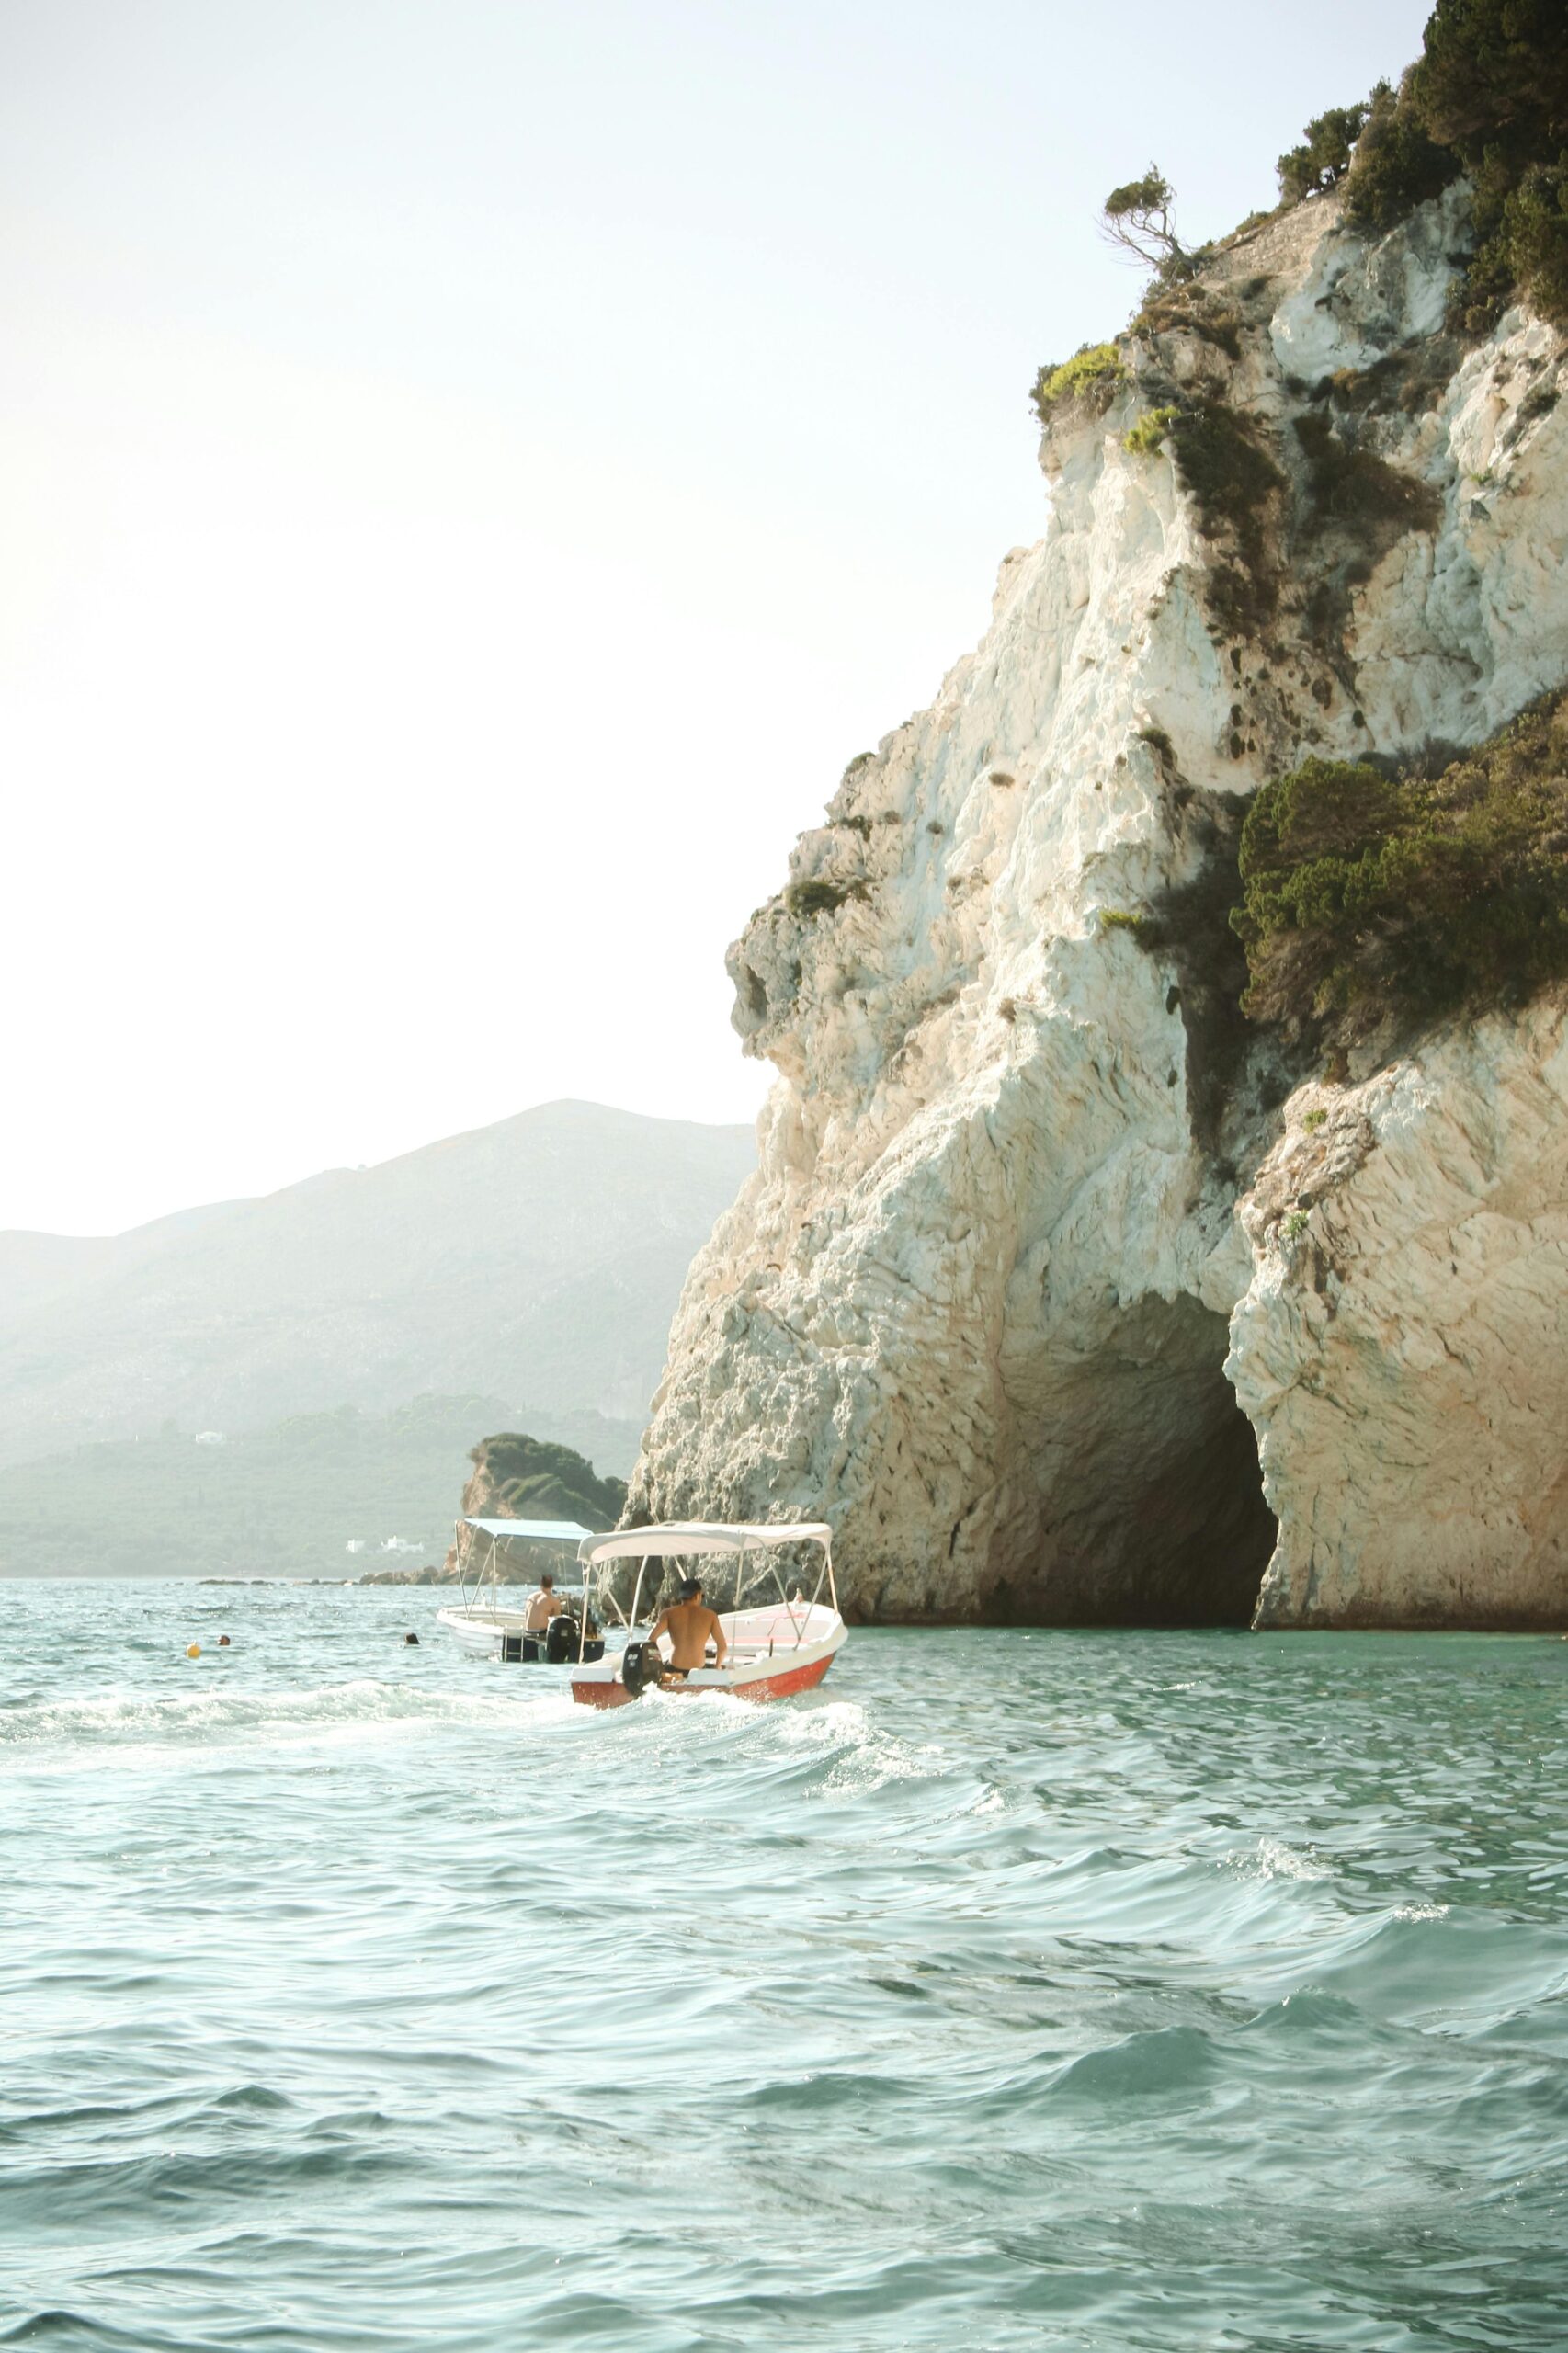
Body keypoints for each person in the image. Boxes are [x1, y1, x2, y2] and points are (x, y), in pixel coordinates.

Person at [646, 1574, 727, 1678]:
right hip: (697, 1671)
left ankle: (669, 1677)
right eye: (702, 1596)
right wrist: (717, 1667)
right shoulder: (711, 1616)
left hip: (674, 1669)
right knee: (723, 1668)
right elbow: (723, 1648)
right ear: (697, 1596)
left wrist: (657, 1664)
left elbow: (651, 1640)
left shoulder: (668, 1614)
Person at [524, 1571, 568, 1635]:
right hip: (541, 1632)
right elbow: (557, 1621)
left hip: (528, 1631)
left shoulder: (530, 1597)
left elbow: (526, 1615)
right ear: (552, 1585)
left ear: (541, 1584)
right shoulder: (554, 1600)